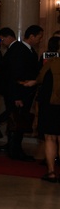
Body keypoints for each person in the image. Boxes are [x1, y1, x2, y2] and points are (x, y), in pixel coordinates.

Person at [2, 24, 43, 161]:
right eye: (39, 37)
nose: (40, 40)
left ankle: (16, 149)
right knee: (16, 122)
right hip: (19, 93)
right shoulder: (19, 50)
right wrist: (17, 97)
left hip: (26, 93)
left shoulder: (31, 51)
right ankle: (14, 151)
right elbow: (14, 75)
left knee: (20, 122)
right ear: (31, 36)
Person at [35, 36, 60, 182]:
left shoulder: (49, 63)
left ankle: (51, 172)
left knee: (50, 138)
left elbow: (39, 79)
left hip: (49, 105)